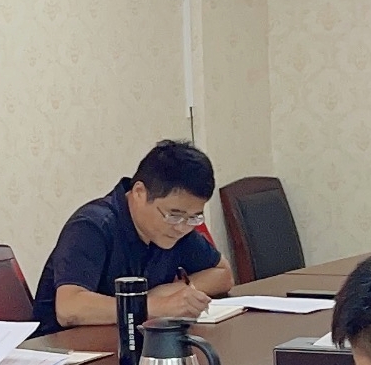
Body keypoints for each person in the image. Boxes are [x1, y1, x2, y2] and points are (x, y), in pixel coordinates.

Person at [34, 140, 233, 330]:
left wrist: (170, 291)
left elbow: (223, 274)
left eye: (194, 217)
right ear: (139, 192)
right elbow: (69, 309)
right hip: (65, 346)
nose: (182, 228)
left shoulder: (177, 229)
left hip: (129, 339)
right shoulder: (92, 225)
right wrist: (153, 305)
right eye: (174, 215)